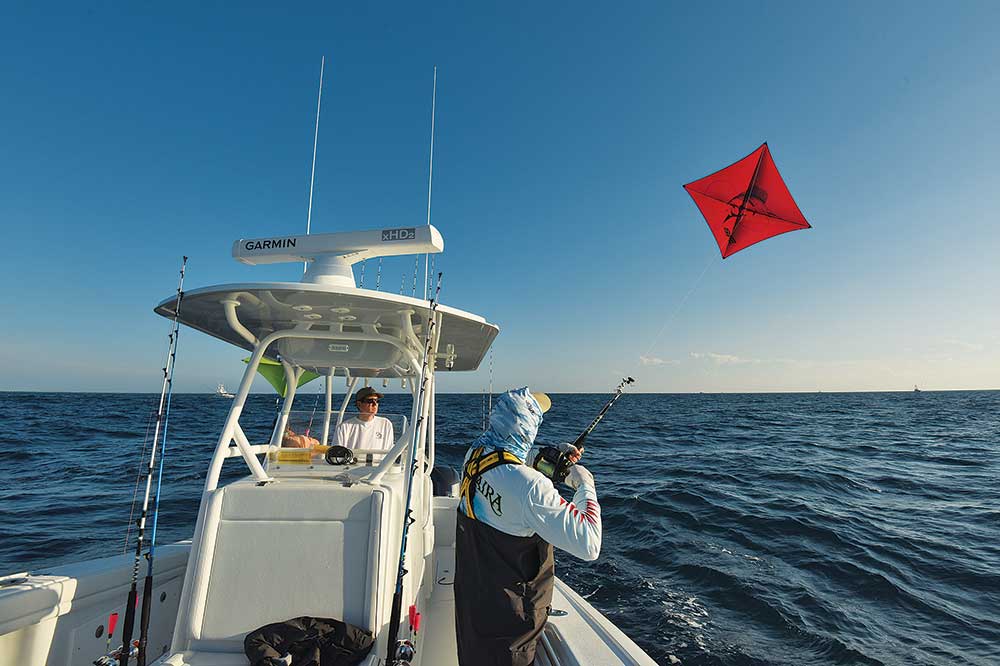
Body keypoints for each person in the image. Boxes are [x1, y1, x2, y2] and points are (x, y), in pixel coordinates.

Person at [454, 387, 601, 666]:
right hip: (510, 625)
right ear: (527, 425)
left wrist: (549, 456)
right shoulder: (531, 487)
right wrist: (584, 484)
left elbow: (510, 458)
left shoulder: (476, 452)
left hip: (474, 599)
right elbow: (589, 543)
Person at [333, 386, 395, 451]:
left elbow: (389, 450)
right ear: (359, 404)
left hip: (381, 461)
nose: (374, 404)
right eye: (370, 401)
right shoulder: (345, 427)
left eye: (376, 401)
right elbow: (338, 453)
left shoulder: (386, 424)